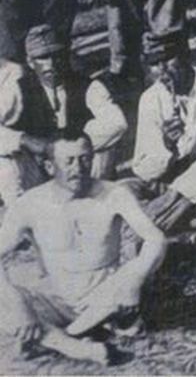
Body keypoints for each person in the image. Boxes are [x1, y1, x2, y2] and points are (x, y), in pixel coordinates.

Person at [0, 133, 167, 365]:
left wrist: (133, 281)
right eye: (68, 161)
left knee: (129, 280)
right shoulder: (29, 204)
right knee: (5, 300)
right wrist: (18, 305)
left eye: (85, 159)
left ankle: (57, 337)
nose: (78, 168)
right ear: (49, 166)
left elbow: (156, 239)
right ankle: (77, 347)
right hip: (57, 300)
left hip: (106, 297)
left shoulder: (114, 194)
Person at [128, 30, 196, 234]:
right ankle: (185, 230)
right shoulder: (151, 98)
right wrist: (166, 146)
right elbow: (143, 169)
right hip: (172, 179)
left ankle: (174, 231)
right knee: (124, 190)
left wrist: (177, 193)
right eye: (154, 63)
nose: (162, 70)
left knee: (155, 223)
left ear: (186, 56)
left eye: (168, 59)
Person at [0, 26, 127, 202]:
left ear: (67, 55)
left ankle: (95, 200)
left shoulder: (88, 86)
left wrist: (70, 145)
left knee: (107, 144)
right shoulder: (18, 89)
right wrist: (24, 140)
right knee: (6, 156)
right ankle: (19, 212)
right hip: (40, 172)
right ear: (30, 61)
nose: (51, 64)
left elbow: (118, 123)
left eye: (56, 55)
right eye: (43, 58)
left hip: (81, 170)